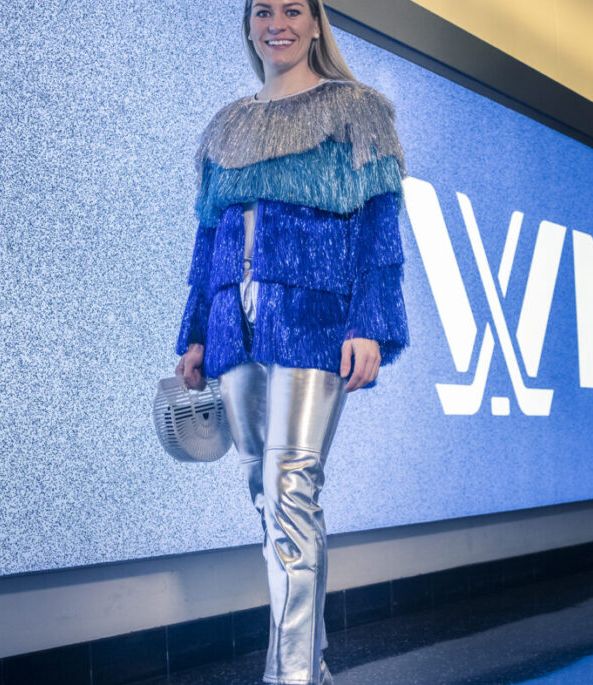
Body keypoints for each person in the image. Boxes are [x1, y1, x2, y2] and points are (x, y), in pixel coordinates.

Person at [172, 1, 408, 683]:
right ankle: (314, 662)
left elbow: (380, 224)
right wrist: (192, 336)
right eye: (263, 10)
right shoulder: (227, 125)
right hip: (234, 323)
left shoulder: (355, 108)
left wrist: (369, 321)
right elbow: (207, 238)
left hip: (316, 317)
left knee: (289, 486)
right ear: (249, 25)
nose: (278, 21)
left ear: (314, 24)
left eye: (293, 9)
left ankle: (292, 675)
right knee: (265, 490)